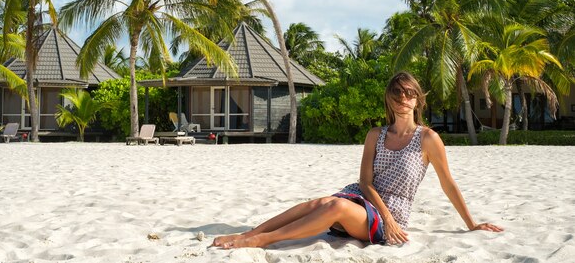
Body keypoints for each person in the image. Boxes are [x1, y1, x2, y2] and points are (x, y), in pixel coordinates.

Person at [212, 72, 503, 249]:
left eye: (409, 93)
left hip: (390, 215)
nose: (403, 97)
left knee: (335, 205)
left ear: (418, 99)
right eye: (397, 92)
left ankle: (262, 241)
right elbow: (364, 182)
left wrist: (472, 223)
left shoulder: (428, 139)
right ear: (389, 99)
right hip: (361, 199)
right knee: (319, 202)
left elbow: (448, 184)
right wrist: (378, 211)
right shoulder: (375, 134)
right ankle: (252, 232)